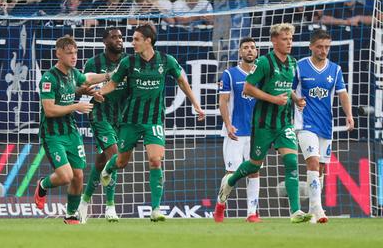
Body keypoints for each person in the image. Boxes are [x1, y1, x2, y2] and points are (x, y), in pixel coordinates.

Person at [96, 23, 205, 222]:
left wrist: (196, 104)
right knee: (121, 162)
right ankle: (108, 169)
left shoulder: (167, 61)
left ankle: (156, 209)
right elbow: (113, 83)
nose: (132, 42)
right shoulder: (129, 62)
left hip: (154, 121)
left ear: (148, 41)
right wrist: (99, 93)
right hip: (130, 121)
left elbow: (182, 81)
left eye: (136, 39)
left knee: (155, 160)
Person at [218, 23, 312, 223]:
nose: (289, 43)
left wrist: (296, 99)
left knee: (292, 162)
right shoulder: (264, 63)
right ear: (274, 41)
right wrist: (273, 99)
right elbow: (248, 89)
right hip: (262, 124)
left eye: (291, 39)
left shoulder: (293, 63)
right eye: (285, 39)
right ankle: (230, 182)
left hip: (284, 123)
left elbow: (286, 88)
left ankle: (295, 212)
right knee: (254, 166)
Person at [33, 35, 109, 225]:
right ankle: (42, 184)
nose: (74, 56)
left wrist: (107, 77)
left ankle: (71, 215)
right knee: (66, 176)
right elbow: (49, 110)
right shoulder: (49, 78)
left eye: (75, 52)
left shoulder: (73, 74)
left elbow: (87, 80)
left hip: (71, 132)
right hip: (53, 135)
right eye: (69, 53)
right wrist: (76, 106)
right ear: (58, 54)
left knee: (78, 175)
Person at [293, 29, 354, 224]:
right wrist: (296, 100)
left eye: (327, 47)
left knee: (320, 168)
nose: (324, 50)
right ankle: (319, 209)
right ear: (311, 46)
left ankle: (312, 209)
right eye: (320, 46)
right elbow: (286, 88)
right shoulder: (300, 66)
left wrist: (349, 115)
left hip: (326, 125)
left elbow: (342, 94)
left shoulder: (335, 69)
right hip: (305, 123)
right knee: (312, 162)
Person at [78, 28, 128, 223]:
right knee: (114, 156)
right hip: (100, 116)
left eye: (121, 37)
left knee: (101, 162)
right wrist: (92, 93)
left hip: (121, 118)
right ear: (105, 41)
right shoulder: (93, 63)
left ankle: (84, 202)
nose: (119, 40)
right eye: (114, 37)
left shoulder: (128, 62)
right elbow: (82, 87)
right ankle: (110, 206)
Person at [213, 37, 261, 223]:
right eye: (246, 48)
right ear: (240, 52)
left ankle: (251, 213)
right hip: (235, 132)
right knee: (231, 173)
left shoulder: (262, 74)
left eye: (253, 48)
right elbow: (223, 101)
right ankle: (220, 205)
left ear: (257, 52)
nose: (249, 50)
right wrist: (228, 124)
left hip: (256, 133)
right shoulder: (230, 74)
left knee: (254, 171)